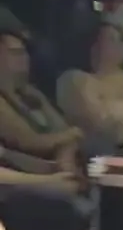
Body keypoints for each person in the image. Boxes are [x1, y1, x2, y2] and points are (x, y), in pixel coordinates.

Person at [0, 30, 85, 172]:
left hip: (57, 165)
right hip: (23, 171)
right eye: (15, 53)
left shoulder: (32, 92)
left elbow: (64, 129)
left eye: (25, 53)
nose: (24, 58)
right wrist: (69, 136)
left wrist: (66, 153)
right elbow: (29, 142)